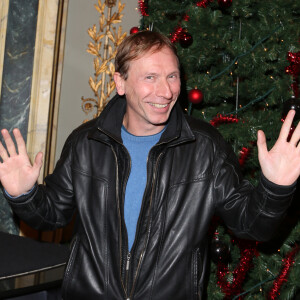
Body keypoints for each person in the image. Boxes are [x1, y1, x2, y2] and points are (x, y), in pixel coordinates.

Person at [0, 31, 299, 300]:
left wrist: (275, 189)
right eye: (150, 77)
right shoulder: (86, 142)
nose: (166, 91)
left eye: (172, 76)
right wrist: (24, 195)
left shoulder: (204, 147)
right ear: (121, 83)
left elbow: (251, 225)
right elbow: (52, 214)